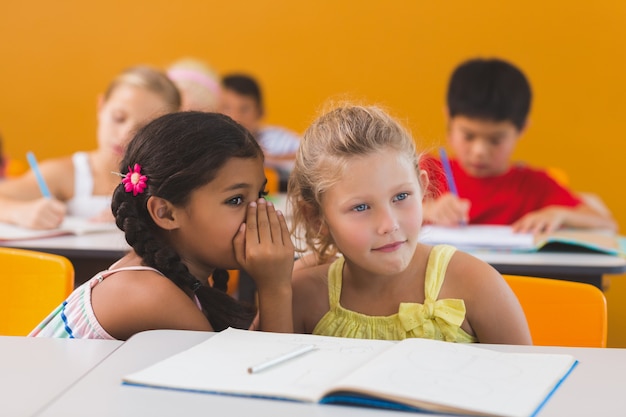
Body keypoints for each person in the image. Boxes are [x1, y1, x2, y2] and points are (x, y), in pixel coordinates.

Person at [29, 111, 294, 340]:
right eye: (235, 200)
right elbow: (256, 387)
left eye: (261, 194)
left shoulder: (166, 280)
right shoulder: (152, 295)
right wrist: (275, 287)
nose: (259, 212)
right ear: (165, 213)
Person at [288, 104, 531, 344]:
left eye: (401, 197)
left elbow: (528, 379)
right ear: (316, 218)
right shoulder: (306, 294)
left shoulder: (476, 285)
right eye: (360, 207)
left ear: (423, 188)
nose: (389, 224)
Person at [422, 57, 616, 233]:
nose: (479, 151)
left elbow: (607, 223)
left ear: (522, 128)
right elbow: (392, 213)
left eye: (496, 140)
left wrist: (559, 214)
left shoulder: (535, 186)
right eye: (468, 136)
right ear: (449, 120)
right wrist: (426, 210)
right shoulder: (426, 174)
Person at [0, 65, 181, 229]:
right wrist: (19, 212)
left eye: (142, 129)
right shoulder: (66, 174)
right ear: (101, 107)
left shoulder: (175, 181)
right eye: (118, 118)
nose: (125, 135)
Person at [219, 73, 300, 176]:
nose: (235, 117)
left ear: (260, 112)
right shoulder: (206, 141)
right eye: (227, 108)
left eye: (244, 109)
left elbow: (311, 157)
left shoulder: (277, 139)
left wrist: (266, 159)